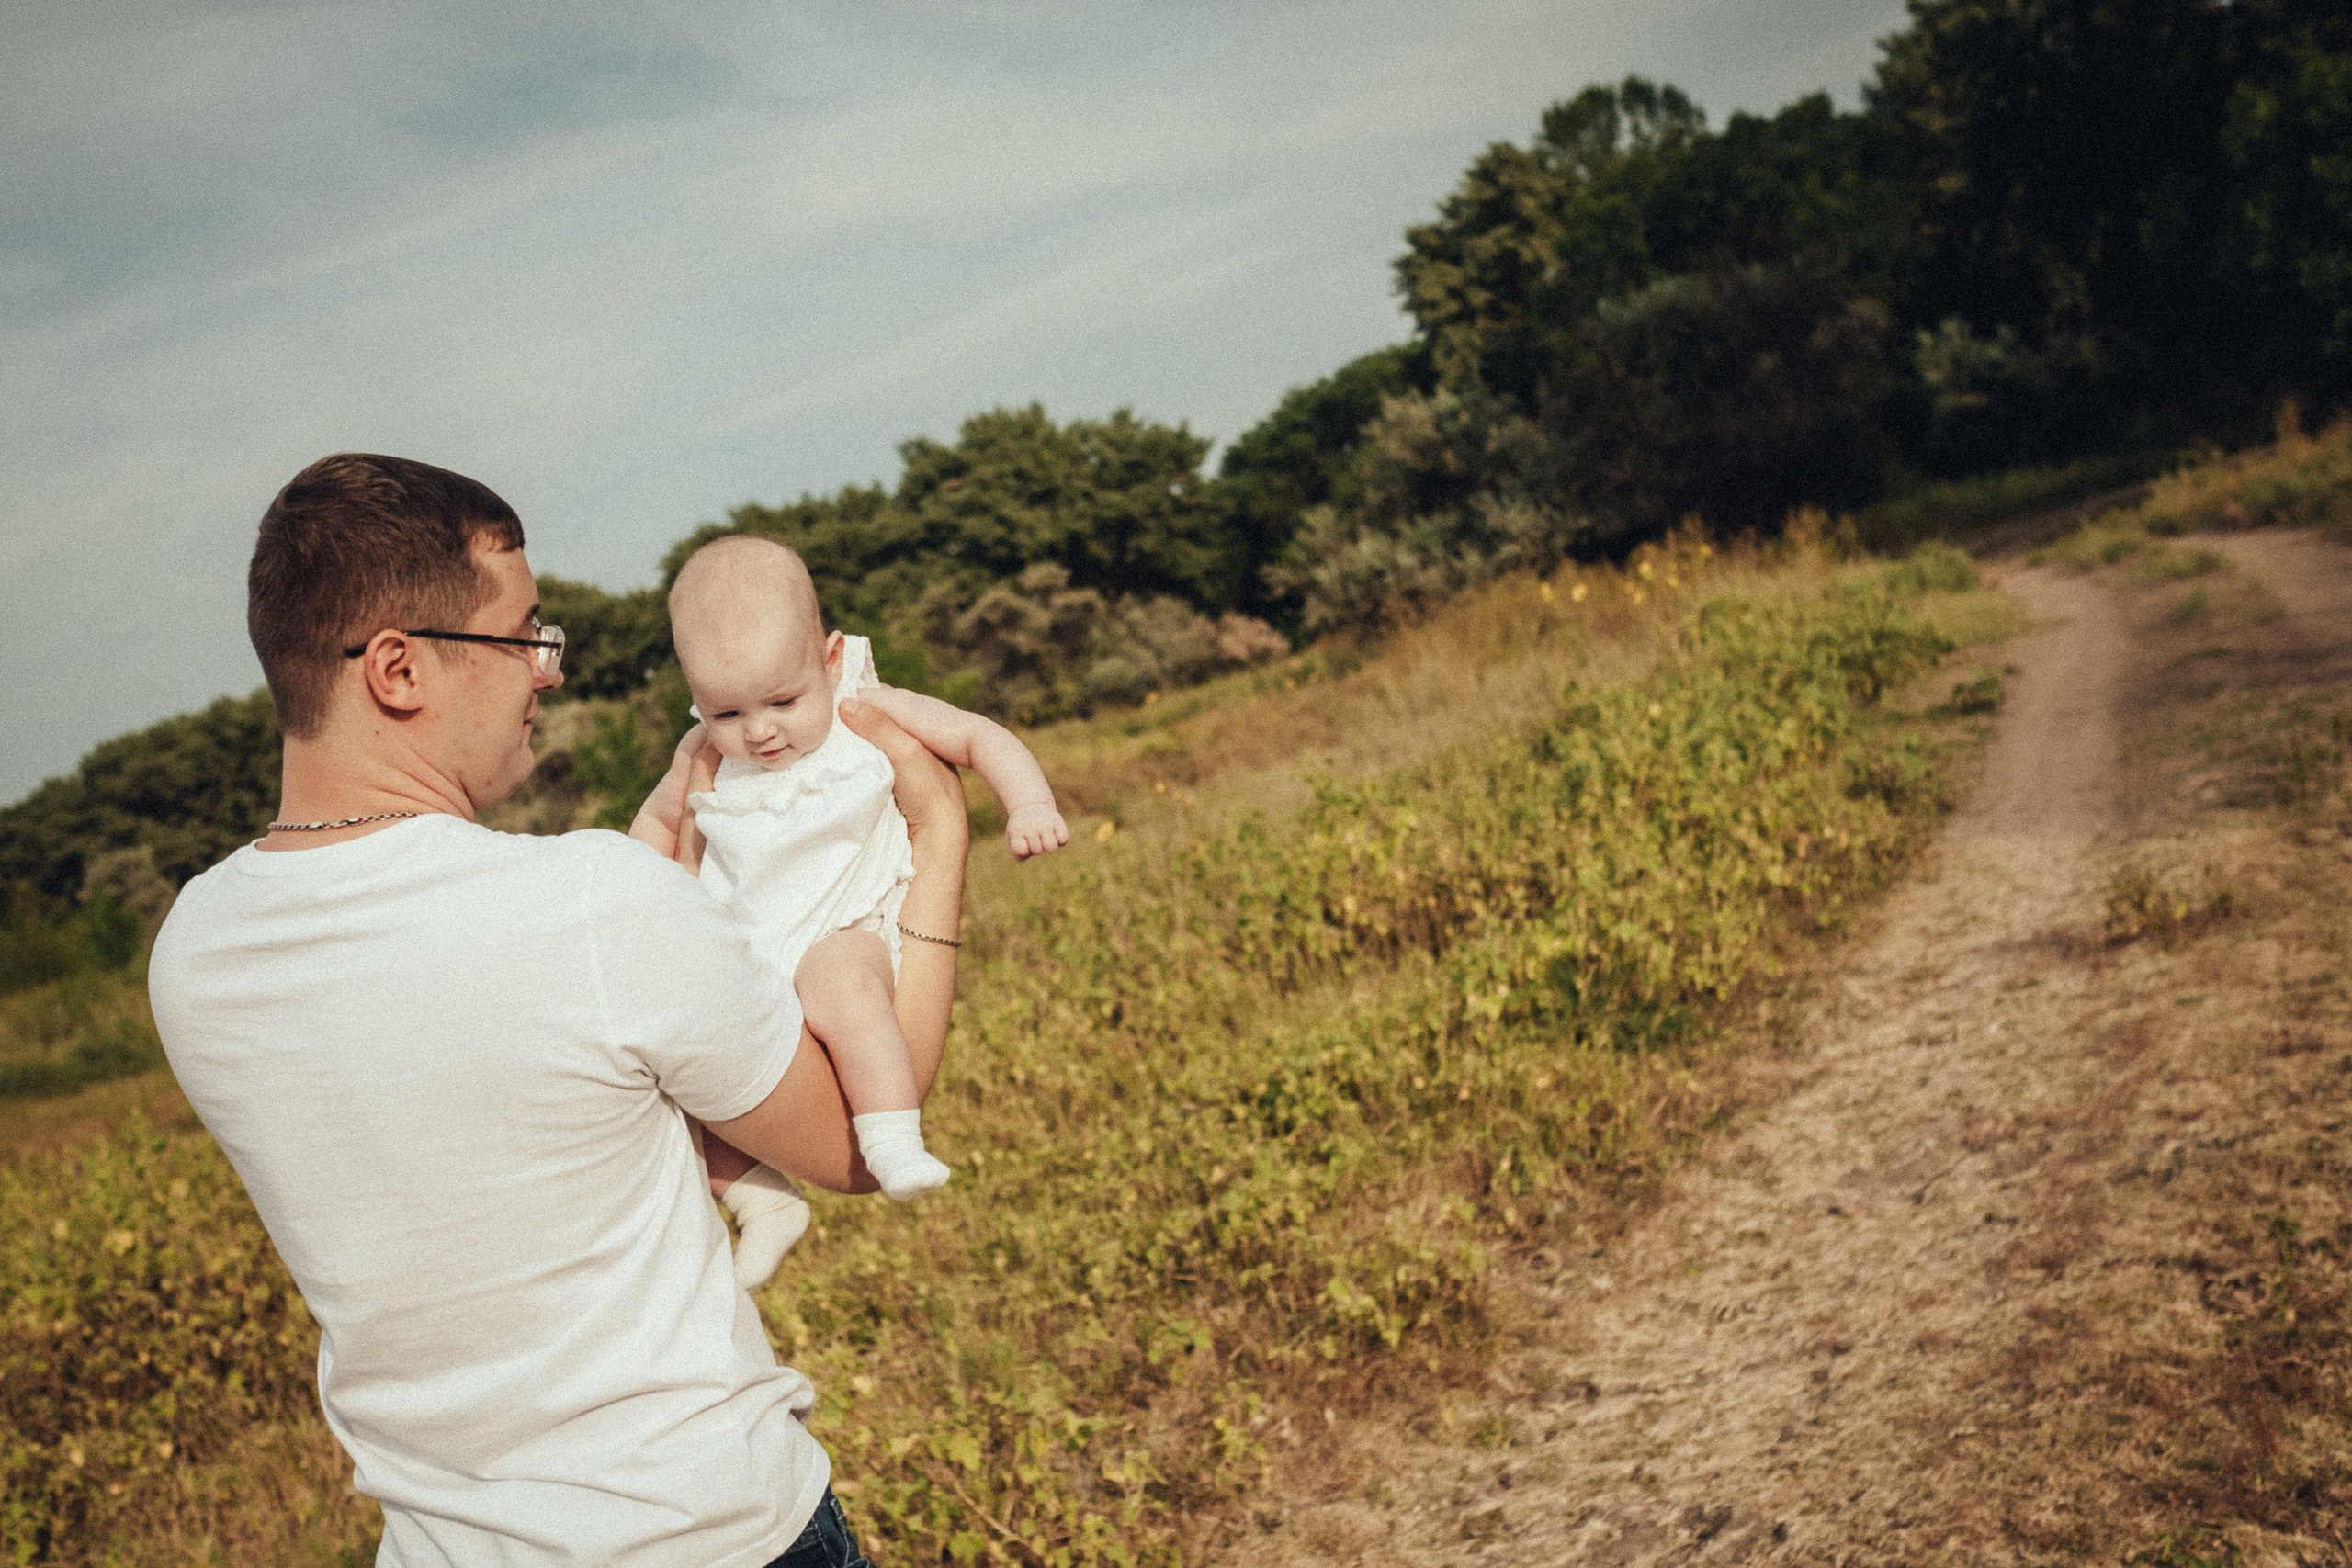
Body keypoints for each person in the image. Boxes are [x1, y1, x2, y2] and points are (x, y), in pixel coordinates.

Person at [146, 453, 956, 1568]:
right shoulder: (592, 904)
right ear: (397, 668)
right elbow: (863, 1147)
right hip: (707, 1535)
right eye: (523, 634)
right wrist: (940, 839)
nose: (547, 672)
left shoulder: (192, 950)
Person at [628, 535, 1067, 1286]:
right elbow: (655, 828)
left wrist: (1027, 799)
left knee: (847, 990)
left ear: (830, 660)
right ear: (695, 693)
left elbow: (974, 733)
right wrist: (631, 895)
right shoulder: (702, 749)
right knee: (667, 1070)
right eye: (726, 709)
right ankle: (761, 1199)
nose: (758, 730)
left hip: (845, 928)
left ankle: (892, 1136)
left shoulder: (863, 701)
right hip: (748, 956)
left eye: (784, 701)